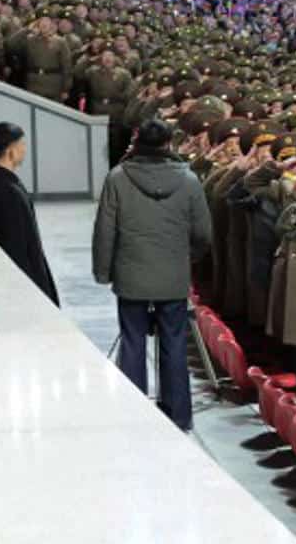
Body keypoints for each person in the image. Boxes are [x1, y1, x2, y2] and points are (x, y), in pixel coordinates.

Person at [92, 117, 214, 432]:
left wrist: (103, 272)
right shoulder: (188, 180)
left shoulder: (118, 178)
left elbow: (105, 231)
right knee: (174, 345)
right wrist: (187, 260)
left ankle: (134, 416)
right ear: (169, 144)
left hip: (131, 276)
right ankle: (178, 415)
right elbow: (203, 233)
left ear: (137, 144)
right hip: (172, 278)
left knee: (132, 343)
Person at [0, 121, 60, 305]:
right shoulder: (4, 189)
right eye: (22, 145)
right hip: (25, 285)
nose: (24, 150)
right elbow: (14, 246)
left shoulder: (0, 183)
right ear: (11, 150)